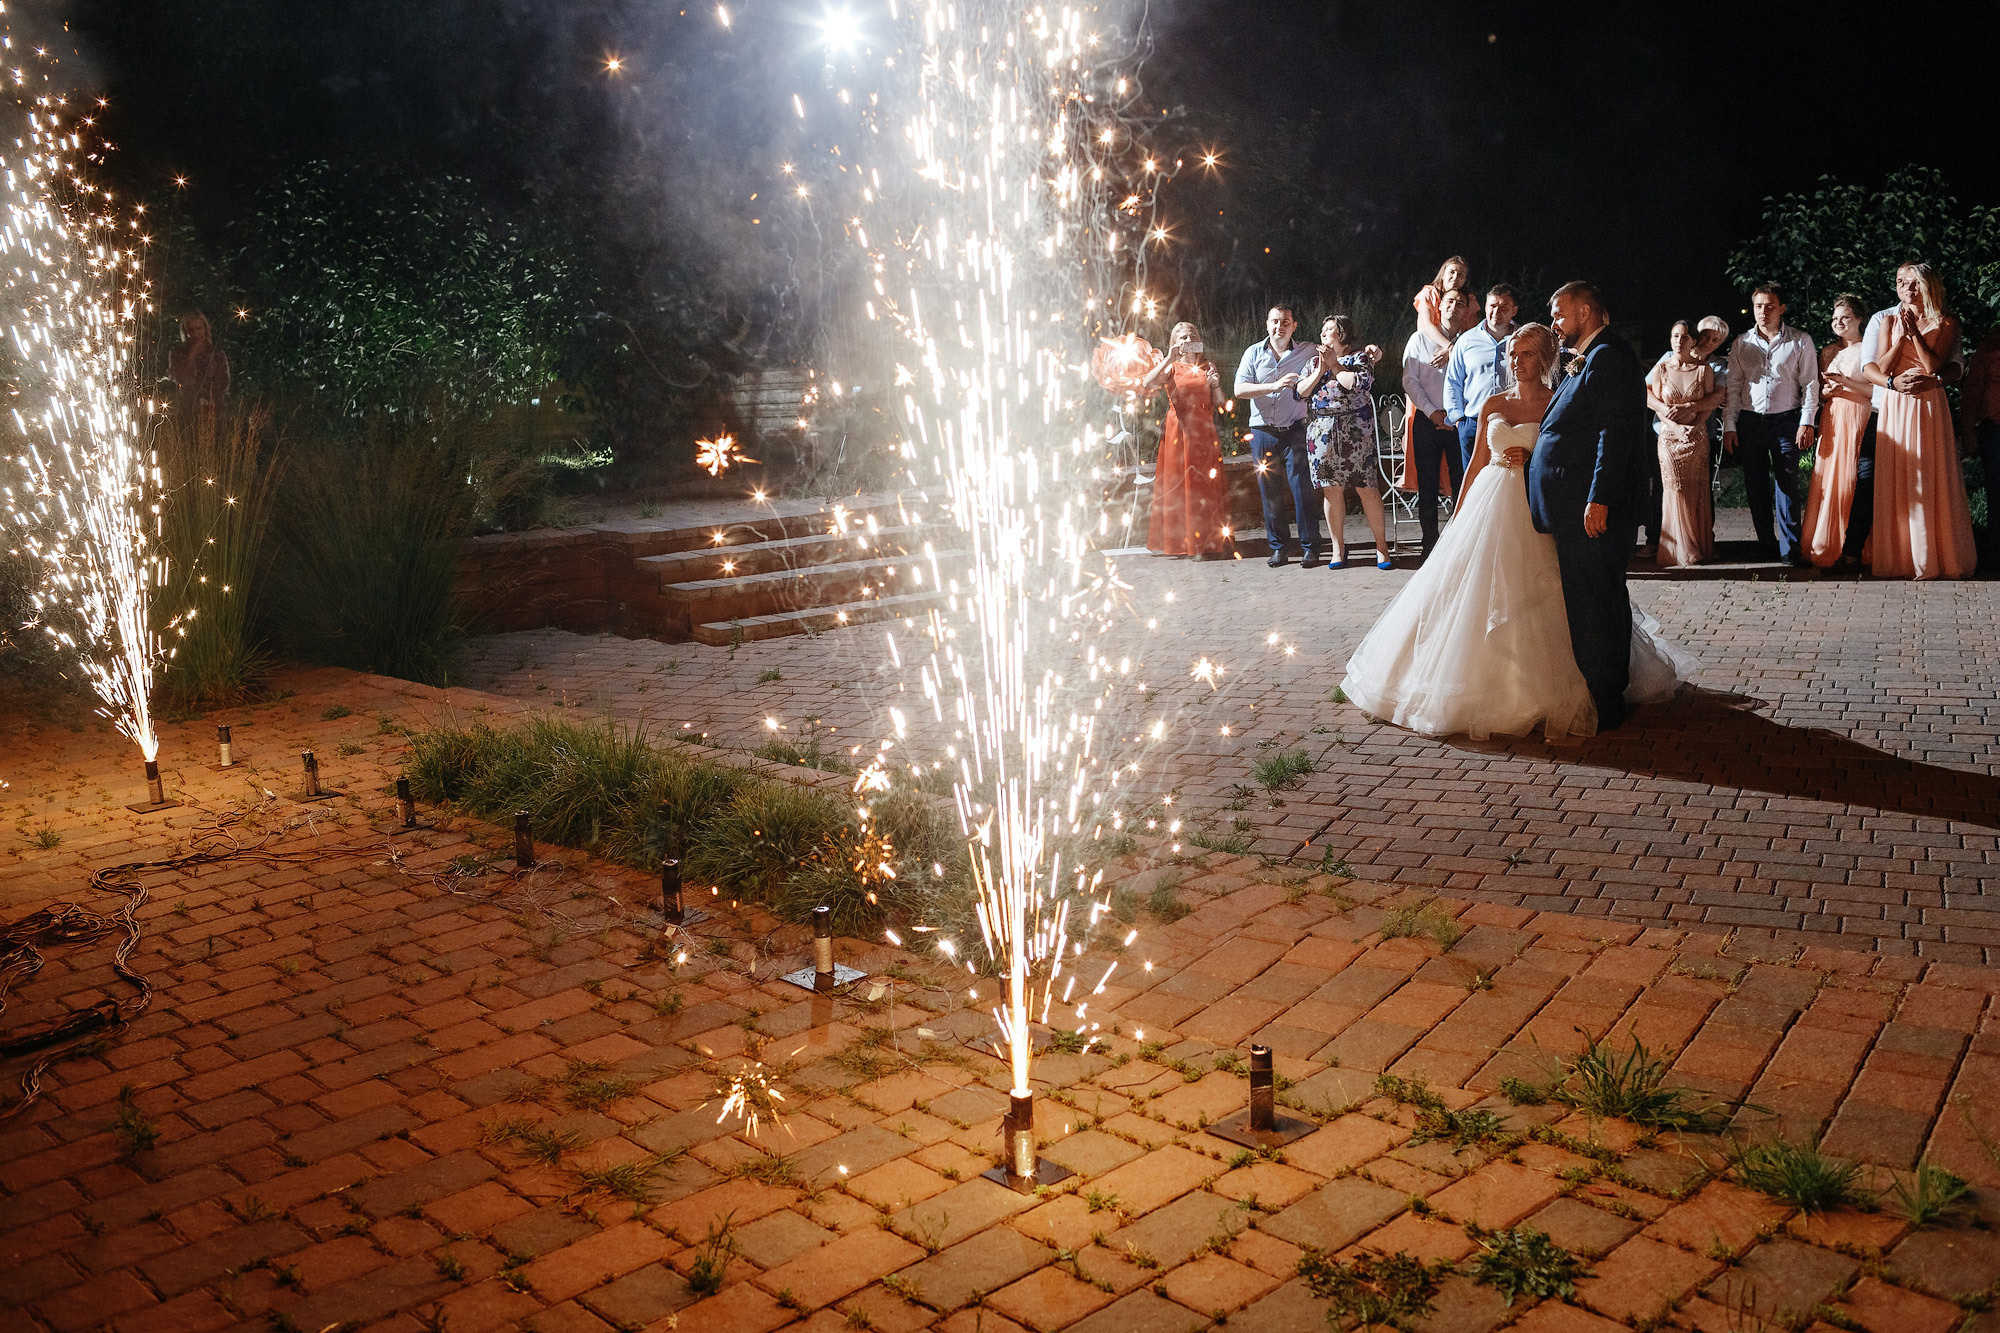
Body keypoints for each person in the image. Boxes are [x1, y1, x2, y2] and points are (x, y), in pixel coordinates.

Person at [1343, 322, 1688, 740]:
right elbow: (1474, 464)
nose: (1517, 362)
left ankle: (1563, 682)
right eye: (1512, 355)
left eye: (1526, 354)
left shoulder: (1557, 401)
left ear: (1544, 359)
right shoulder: (1491, 403)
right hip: (1491, 496)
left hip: (1536, 500)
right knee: (1476, 586)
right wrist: (1460, 510)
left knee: (1542, 587)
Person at [1530, 282, 1664, 732]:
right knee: (1593, 597)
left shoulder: (1608, 357)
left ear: (1586, 310)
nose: (1554, 323)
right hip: (1573, 506)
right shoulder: (1586, 356)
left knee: (1596, 602)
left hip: (1591, 508)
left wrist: (1599, 498)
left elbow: (1615, 434)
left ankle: (1605, 698)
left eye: (1560, 313)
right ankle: (1604, 690)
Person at [1842, 264, 1967, 566]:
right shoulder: (1882, 319)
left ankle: (1929, 553)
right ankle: (1862, 553)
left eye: (1913, 283)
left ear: (1927, 285)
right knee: (1877, 478)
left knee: (1928, 476)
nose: (1906, 288)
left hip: (1926, 406)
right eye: (1900, 282)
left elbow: (1946, 366)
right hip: (1889, 407)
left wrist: (1914, 335)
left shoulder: (1946, 322)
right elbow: (1873, 367)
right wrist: (1891, 379)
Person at [1722, 285, 1819, 564]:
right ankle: (1766, 543)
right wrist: (1730, 425)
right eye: (1758, 306)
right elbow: (1733, 387)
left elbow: (1810, 384)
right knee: (1755, 484)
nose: (1763, 312)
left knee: (1786, 482)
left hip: (1786, 420)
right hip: (1750, 421)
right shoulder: (1742, 343)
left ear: (1781, 308)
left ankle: (1790, 550)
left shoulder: (1800, 341)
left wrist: (1807, 422)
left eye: (1769, 306)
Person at [1295, 315, 1389, 568]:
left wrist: (1334, 365)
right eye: (1322, 329)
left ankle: (1382, 547)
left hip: (1355, 433)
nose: (1324, 334)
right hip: (1322, 433)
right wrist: (1320, 370)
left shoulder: (1359, 358)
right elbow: (1300, 392)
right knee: (1331, 489)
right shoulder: (1313, 363)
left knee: (1366, 488)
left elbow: (1357, 384)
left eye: (1330, 330)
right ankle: (1338, 549)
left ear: (1343, 335)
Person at [1235, 306, 1324, 567]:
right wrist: (1272, 387)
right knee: (1269, 492)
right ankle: (1279, 548)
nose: (1279, 326)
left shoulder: (1306, 350)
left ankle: (1310, 548)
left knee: (1301, 489)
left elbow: (1333, 349)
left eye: (1285, 322)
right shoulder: (1253, 353)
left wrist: (1372, 352)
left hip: (1295, 429)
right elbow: (1239, 389)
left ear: (1294, 325)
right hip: (1263, 432)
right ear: (1266, 324)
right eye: (1275, 321)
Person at [1141, 322, 1233, 559]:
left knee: (1205, 483)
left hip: (1204, 429)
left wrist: (1216, 384)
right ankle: (1182, 541)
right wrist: (1169, 357)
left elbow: (1220, 402)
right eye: (1182, 337)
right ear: (1175, 342)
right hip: (1178, 430)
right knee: (1179, 484)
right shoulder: (1171, 367)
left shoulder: (1207, 365)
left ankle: (1209, 539)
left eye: (1191, 336)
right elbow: (1147, 384)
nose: (1187, 340)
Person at [1800, 295, 1873, 568]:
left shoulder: (1870, 349)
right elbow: (1820, 390)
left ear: (1859, 319)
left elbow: (1877, 392)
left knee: (1856, 478)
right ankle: (1828, 541)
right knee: (1831, 480)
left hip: (1858, 416)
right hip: (1833, 418)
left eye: (1845, 317)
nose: (1838, 322)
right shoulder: (1829, 352)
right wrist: (1828, 391)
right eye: (1834, 318)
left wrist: (1844, 386)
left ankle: (1857, 546)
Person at [1646, 321, 1723, 567]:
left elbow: (1709, 404)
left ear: (1693, 340)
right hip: (1669, 439)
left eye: (1684, 336)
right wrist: (1677, 429)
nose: (1679, 341)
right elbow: (1658, 406)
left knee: (1696, 490)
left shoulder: (1705, 370)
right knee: (1674, 489)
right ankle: (1677, 549)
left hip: (1696, 437)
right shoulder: (1661, 369)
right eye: (1675, 336)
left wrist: (1695, 426)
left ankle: (1698, 545)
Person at [1400, 287, 1468, 557]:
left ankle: (1459, 543)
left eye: (1460, 303)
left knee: (1461, 483)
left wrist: (1453, 414)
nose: (1454, 306)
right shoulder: (1419, 339)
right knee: (1427, 487)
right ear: (1440, 307)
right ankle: (1429, 546)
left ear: (1465, 310)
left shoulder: (1468, 342)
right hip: (1427, 420)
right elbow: (1409, 380)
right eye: (1450, 301)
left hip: (1458, 422)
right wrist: (1432, 412)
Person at [1444, 283, 1518, 473]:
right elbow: (1453, 381)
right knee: (1471, 485)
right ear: (1485, 306)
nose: (1496, 312)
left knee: (1506, 483)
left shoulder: (1523, 339)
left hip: (1511, 423)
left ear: (1514, 311)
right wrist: (1458, 419)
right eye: (1492, 306)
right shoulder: (1467, 341)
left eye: (1503, 307)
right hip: (1472, 424)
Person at [1963, 325, 2000, 568]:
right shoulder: (1991, 344)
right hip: (1995, 429)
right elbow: (1972, 392)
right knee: (1997, 494)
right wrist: (1968, 433)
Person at [1414, 256, 1474, 370]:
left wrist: (1452, 352)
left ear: (1465, 279)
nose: (1455, 277)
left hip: (1458, 353)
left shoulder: (1469, 300)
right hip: (1429, 350)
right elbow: (1427, 325)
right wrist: (1449, 346)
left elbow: (1472, 331)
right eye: (1452, 272)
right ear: (1443, 275)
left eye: (1461, 274)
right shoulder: (1429, 293)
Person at [168, 310, 230, 415]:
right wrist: (193, 353)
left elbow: (223, 383)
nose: (195, 333)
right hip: (188, 410)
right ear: (186, 331)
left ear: (205, 328)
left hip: (214, 410)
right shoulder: (177, 353)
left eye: (199, 328)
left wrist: (210, 399)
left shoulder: (217, 353)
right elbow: (180, 378)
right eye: (191, 330)